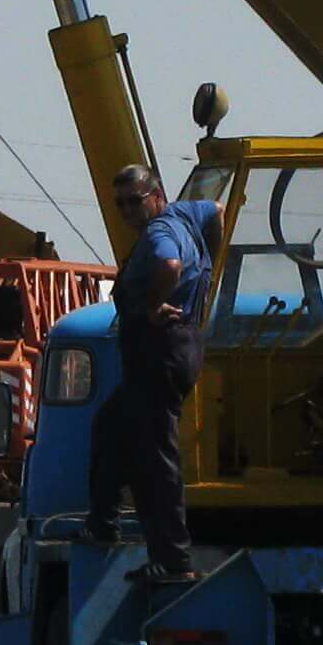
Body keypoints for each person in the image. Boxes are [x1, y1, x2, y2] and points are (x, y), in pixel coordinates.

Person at [89, 162, 224, 581]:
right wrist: (211, 263)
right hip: (175, 348)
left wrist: (150, 306)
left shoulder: (159, 233)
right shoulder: (186, 214)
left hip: (159, 350)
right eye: (121, 204)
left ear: (157, 195)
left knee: (153, 457)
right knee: (111, 427)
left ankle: (172, 559)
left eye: (135, 200)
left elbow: (169, 267)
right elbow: (218, 210)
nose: (128, 210)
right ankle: (101, 524)